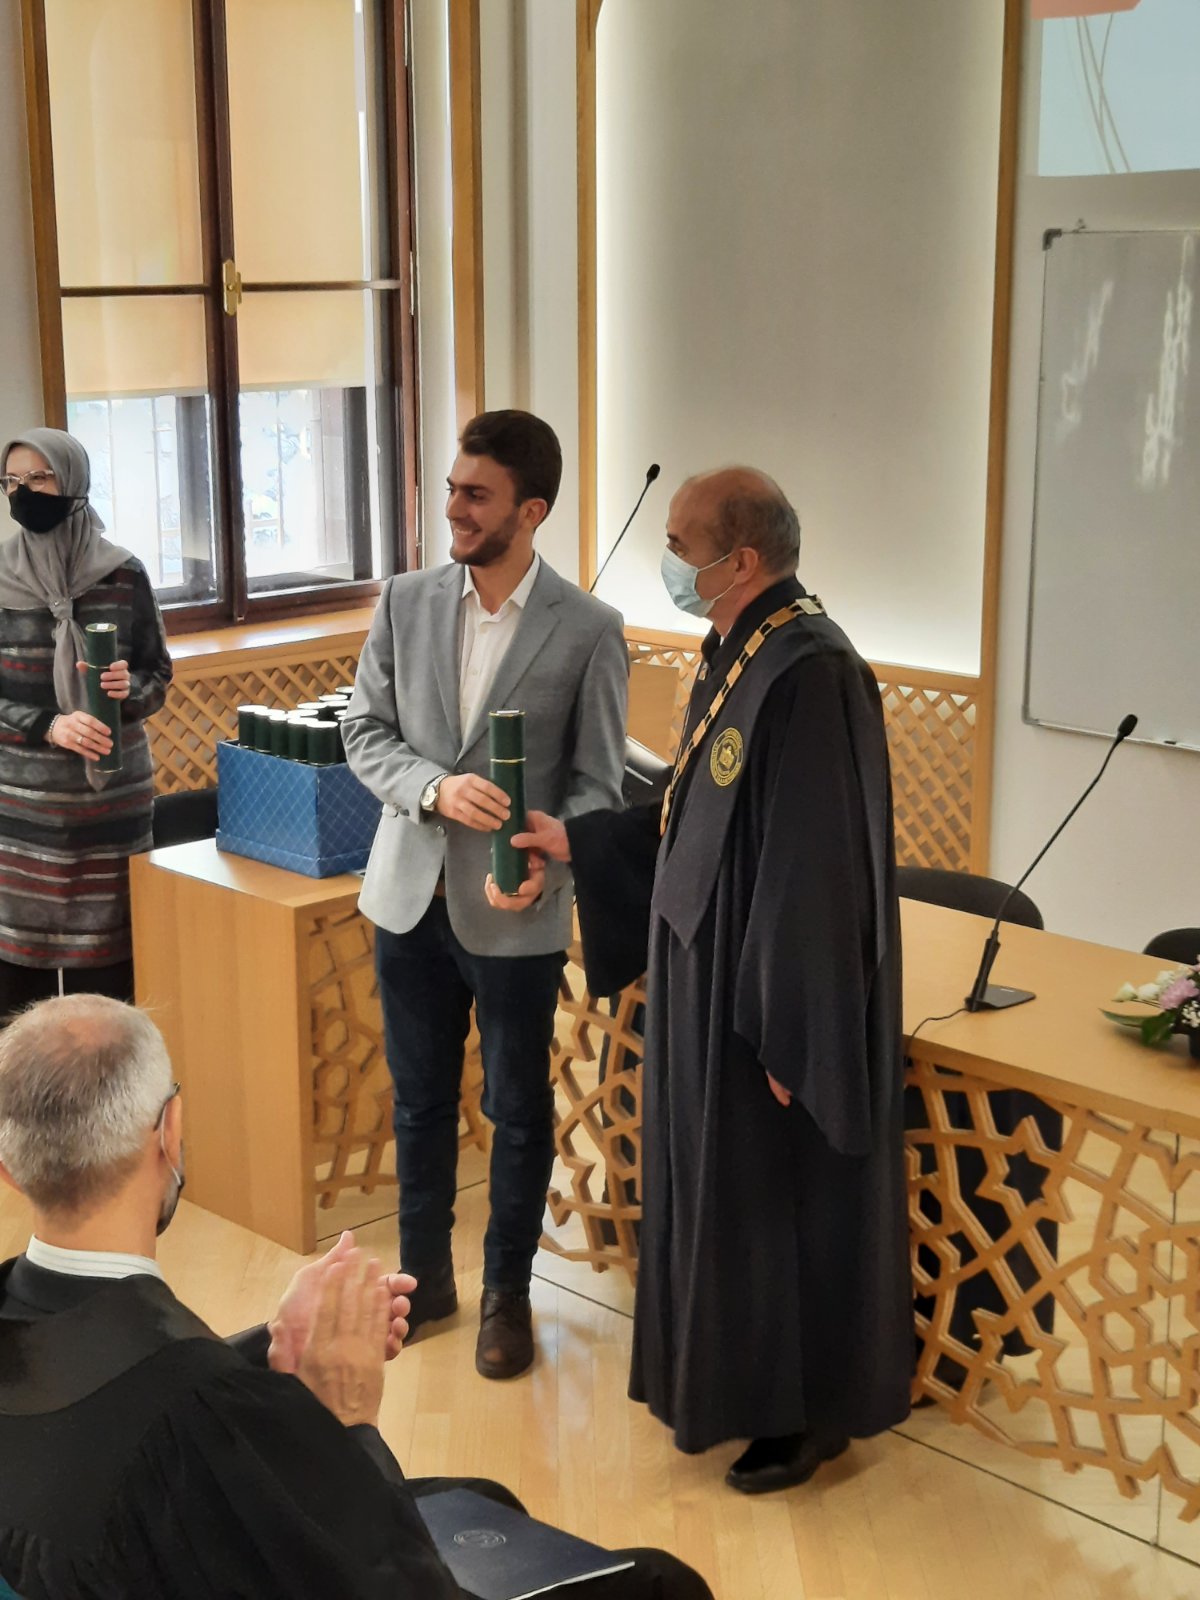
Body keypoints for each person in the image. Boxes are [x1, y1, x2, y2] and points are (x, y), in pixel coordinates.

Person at [491, 467, 914, 1492]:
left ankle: (806, 1418)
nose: (670, 563)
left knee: (779, 1205)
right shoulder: (738, 649)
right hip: (705, 978)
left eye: (682, 546)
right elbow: (694, 810)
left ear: (743, 560)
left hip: (762, 1003)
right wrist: (584, 840)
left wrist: (794, 1031)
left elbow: (817, 871)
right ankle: (730, 1390)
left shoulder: (811, 670)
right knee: (722, 1204)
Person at [0, 995, 714, 1600]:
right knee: (663, 1582)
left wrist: (273, 1345)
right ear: (171, 1133)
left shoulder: (54, 1329)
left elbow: (115, 1390)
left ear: (9, 1167)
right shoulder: (200, 1414)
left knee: (479, 1500)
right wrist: (348, 1420)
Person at [343, 409, 628, 1380]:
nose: (454, 510)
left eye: (476, 495)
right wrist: (432, 788)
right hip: (407, 897)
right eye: (452, 489)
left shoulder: (590, 630)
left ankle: (508, 1293)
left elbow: (599, 787)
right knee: (419, 1103)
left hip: (516, 912)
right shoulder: (405, 599)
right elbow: (364, 732)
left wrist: (553, 853)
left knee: (517, 1108)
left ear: (530, 510)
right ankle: (422, 1280)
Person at [0, 429, 172, 1011]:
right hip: (21, 822)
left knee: (108, 999)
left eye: (39, 477)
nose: (24, 492)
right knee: (17, 1002)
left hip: (111, 816)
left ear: (73, 480)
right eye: (12, 481)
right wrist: (48, 726)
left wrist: (126, 692)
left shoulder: (123, 574)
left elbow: (157, 675)